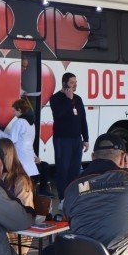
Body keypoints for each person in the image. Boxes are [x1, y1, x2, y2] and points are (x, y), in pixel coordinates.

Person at [49, 72, 88, 203]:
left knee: (75, 169)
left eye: (75, 82)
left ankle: (73, 197)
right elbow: (58, 115)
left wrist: (86, 138)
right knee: (63, 169)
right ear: (65, 83)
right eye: (72, 82)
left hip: (77, 139)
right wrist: (67, 99)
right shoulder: (55, 98)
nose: (75, 85)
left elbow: (83, 119)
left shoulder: (78, 99)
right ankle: (62, 198)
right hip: (62, 139)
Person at [0, 98, 39, 180]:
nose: (13, 113)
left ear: (19, 110)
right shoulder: (32, 124)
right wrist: (34, 156)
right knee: (28, 179)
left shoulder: (19, 122)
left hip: (19, 154)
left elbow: (12, 139)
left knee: (19, 177)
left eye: (14, 111)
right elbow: (30, 141)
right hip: (29, 154)